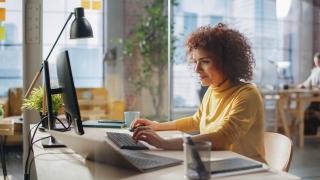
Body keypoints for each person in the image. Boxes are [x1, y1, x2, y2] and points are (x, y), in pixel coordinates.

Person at [132, 23, 266, 163]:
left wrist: (163, 143)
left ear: (227, 63)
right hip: (219, 164)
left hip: (248, 170)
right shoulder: (213, 89)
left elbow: (222, 136)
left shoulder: (248, 94)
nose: (196, 69)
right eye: (195, 61)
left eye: (205, 62)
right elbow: (196, 121)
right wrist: (157, 126)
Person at [298, 52, 320, 135]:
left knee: (313, 114)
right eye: (316, 61)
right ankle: (309, 134)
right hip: (314, 99)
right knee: (306, 113)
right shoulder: (315, 71)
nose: (317, 63)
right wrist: (303, 85)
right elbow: (308, 82)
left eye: (318, 61)